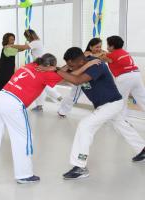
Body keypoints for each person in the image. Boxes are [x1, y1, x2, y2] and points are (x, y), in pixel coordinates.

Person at [52, 47, 145, 180]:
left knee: (85, 126)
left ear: (79, 61)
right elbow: (60, 77)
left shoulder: (97, 65)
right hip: (104, 105)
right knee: (121, 125)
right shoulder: (80, 64)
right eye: (69, 65)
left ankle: (80, 166)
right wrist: (63, 68)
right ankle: (142, 149)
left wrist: (58, 70)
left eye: (71, 65)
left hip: (112, 103)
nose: (70, 68)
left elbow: (77, 80)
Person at [0, 53, 63, 185]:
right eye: (54, 65)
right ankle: (24, 175)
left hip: (0, 98)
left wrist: (53, 68)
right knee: (24, 138)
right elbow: (66, 76)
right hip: (14, 103)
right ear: (49, 66)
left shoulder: (28, 65)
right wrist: (55, 69)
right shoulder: (46, 73)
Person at [10, 29, 62, 112]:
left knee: (46, 87)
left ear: (29, 36)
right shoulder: (36, 42)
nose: (26, 39)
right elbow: (24, 47)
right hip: (40, 66)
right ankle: (39, 106)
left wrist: (10, 45)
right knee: (41, 86)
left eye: (26, 37)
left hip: (43, 67)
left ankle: (61, 100)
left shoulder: (35, 42)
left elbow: (23, 47)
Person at [99, 35, 145, 115]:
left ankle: (121, 121)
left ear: (112, 46)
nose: (107, 47)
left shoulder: (111, 55)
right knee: (142, 99)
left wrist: (101, 53)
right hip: (136, 75)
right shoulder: (125, 53)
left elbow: (100, 59)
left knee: (120, 101)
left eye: (108, 45)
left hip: (124, 78)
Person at [57, 38, 103, 117]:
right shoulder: (86, 54)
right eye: (97, 47)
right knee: (73, 97)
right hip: (81, 79)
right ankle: (62, 111)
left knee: (99, 96)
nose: (99, 49)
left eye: (100, 47)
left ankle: (102, 114)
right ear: (91, 47)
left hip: (91, 78)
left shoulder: (99, 54)